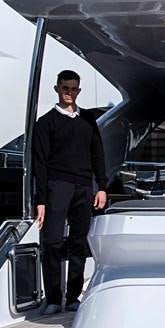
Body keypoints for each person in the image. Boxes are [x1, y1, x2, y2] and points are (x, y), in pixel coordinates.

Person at [32, 70, 107, 315]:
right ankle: (53, 298)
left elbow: (97, 154)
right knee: (52, 241)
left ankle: (73, 297)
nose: (69, 93)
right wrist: (40, 200)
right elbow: (39, 163)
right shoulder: (46, 123)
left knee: (78, 242)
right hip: (57, 186)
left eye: (74, 89)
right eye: (65, 88)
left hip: (84, 186)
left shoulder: (88, 120)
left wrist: (102, 186)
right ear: (57, 88)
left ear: (79, 91)